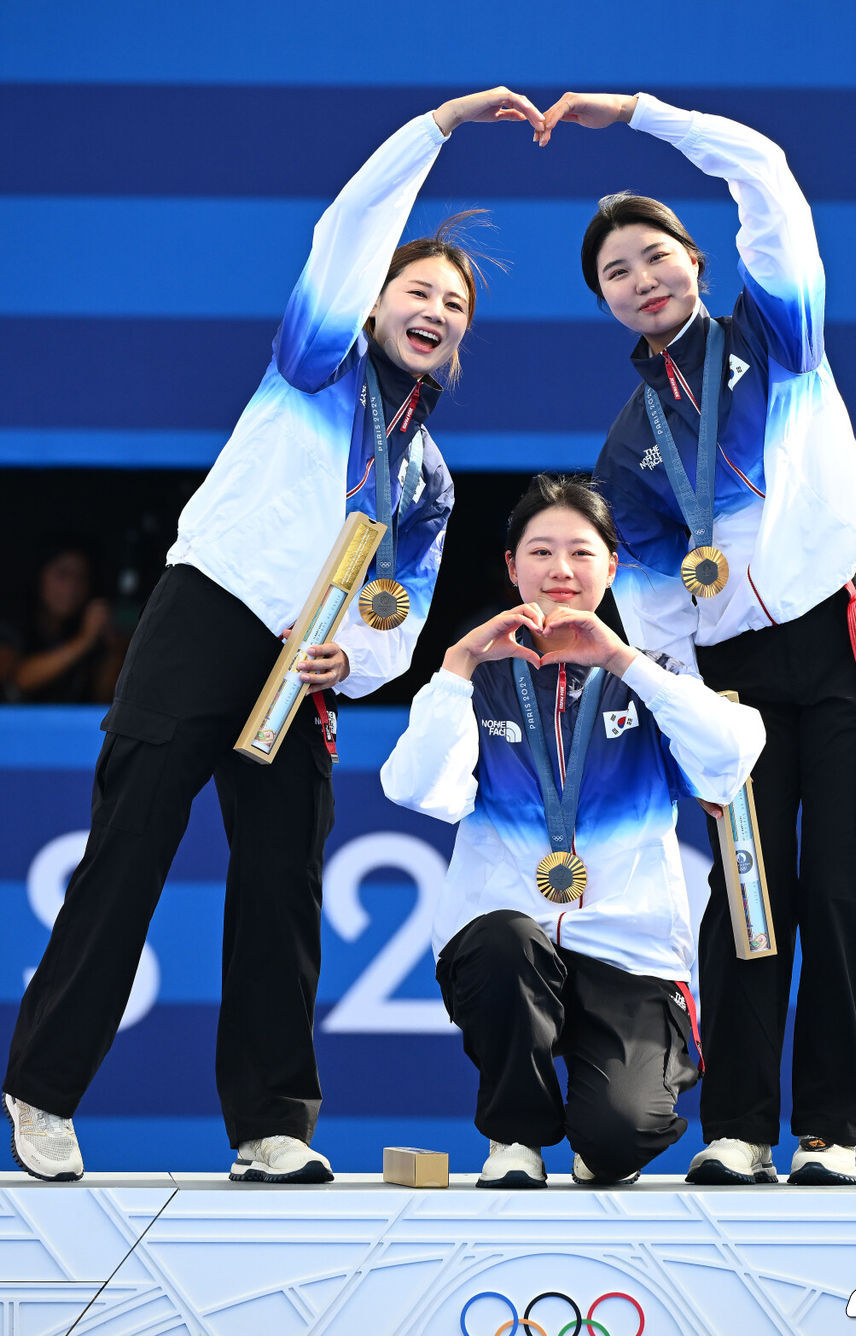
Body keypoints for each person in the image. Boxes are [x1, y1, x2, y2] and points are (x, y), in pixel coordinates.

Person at [2, 87, 546, 1185]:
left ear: (460, 346)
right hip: (206, 615)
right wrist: (435, 130)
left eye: (455, 305)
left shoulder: (429, 479)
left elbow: (403, 603)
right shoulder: (315, 361)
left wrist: (364, 659)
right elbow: (345, 226)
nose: (435, 307)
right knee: (129, 853)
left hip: (304, 668)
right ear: (374, 300)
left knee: (283, 881)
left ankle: (272, 1123)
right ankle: (42, 1092)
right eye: (417, 287)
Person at [538, 92, 856, 1186]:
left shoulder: (775, 328)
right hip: (734, 673)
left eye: (655, 256)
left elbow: (766, 171)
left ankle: (831, 1133)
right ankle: (739, 1129)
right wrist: (681, 708)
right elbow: (652, 611)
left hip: (847, 623)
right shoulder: (623, 449)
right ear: (603, 303)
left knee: (847, 881)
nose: (642, 278)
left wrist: (642, 115)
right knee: (748, 888)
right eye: (616, 274)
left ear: (696, 260)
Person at [381, 474, 764, 1187]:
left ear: (612, 568)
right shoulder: (481, 680)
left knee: (619, 1140)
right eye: (542, 551)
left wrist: (623, 659)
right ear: (511, 566)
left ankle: (601, 1121)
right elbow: (418, 790)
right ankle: (514, 1140)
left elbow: (731, 758)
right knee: (504, 938)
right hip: (508, 946)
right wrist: (457, 666)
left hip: (630, 952)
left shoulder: (654, 676)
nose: (561, 570)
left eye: (582, 553)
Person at [0, 542, 127, 704]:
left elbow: (103, 698)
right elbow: (17, 681)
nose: (72, 586)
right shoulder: (10, 624)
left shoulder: (86, 626)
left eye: (82, 577)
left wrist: (114, 650)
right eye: (62, 574)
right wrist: (84, 640)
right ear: (39, 576)